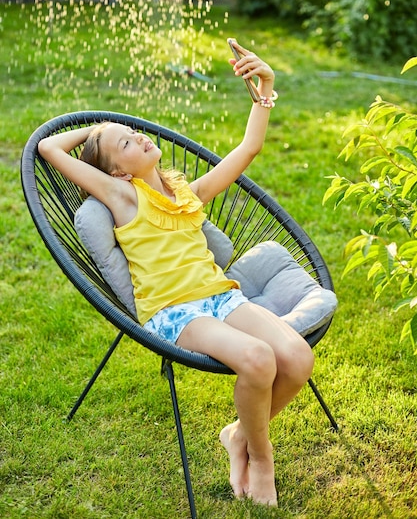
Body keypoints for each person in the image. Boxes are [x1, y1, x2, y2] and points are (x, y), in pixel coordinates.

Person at [38, 39, 314, 507]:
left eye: (133, 132)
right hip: (176, 312)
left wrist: (265, 87)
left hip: (222, 297)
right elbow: (48, 146)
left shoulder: (187, 193)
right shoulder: (124, 198)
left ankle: (238, 434)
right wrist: (97, 129)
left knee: (297, 357)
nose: (140, 136)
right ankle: (261, 459)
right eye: (126, 142)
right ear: (119, 174)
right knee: (260, 360)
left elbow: (250, 147)